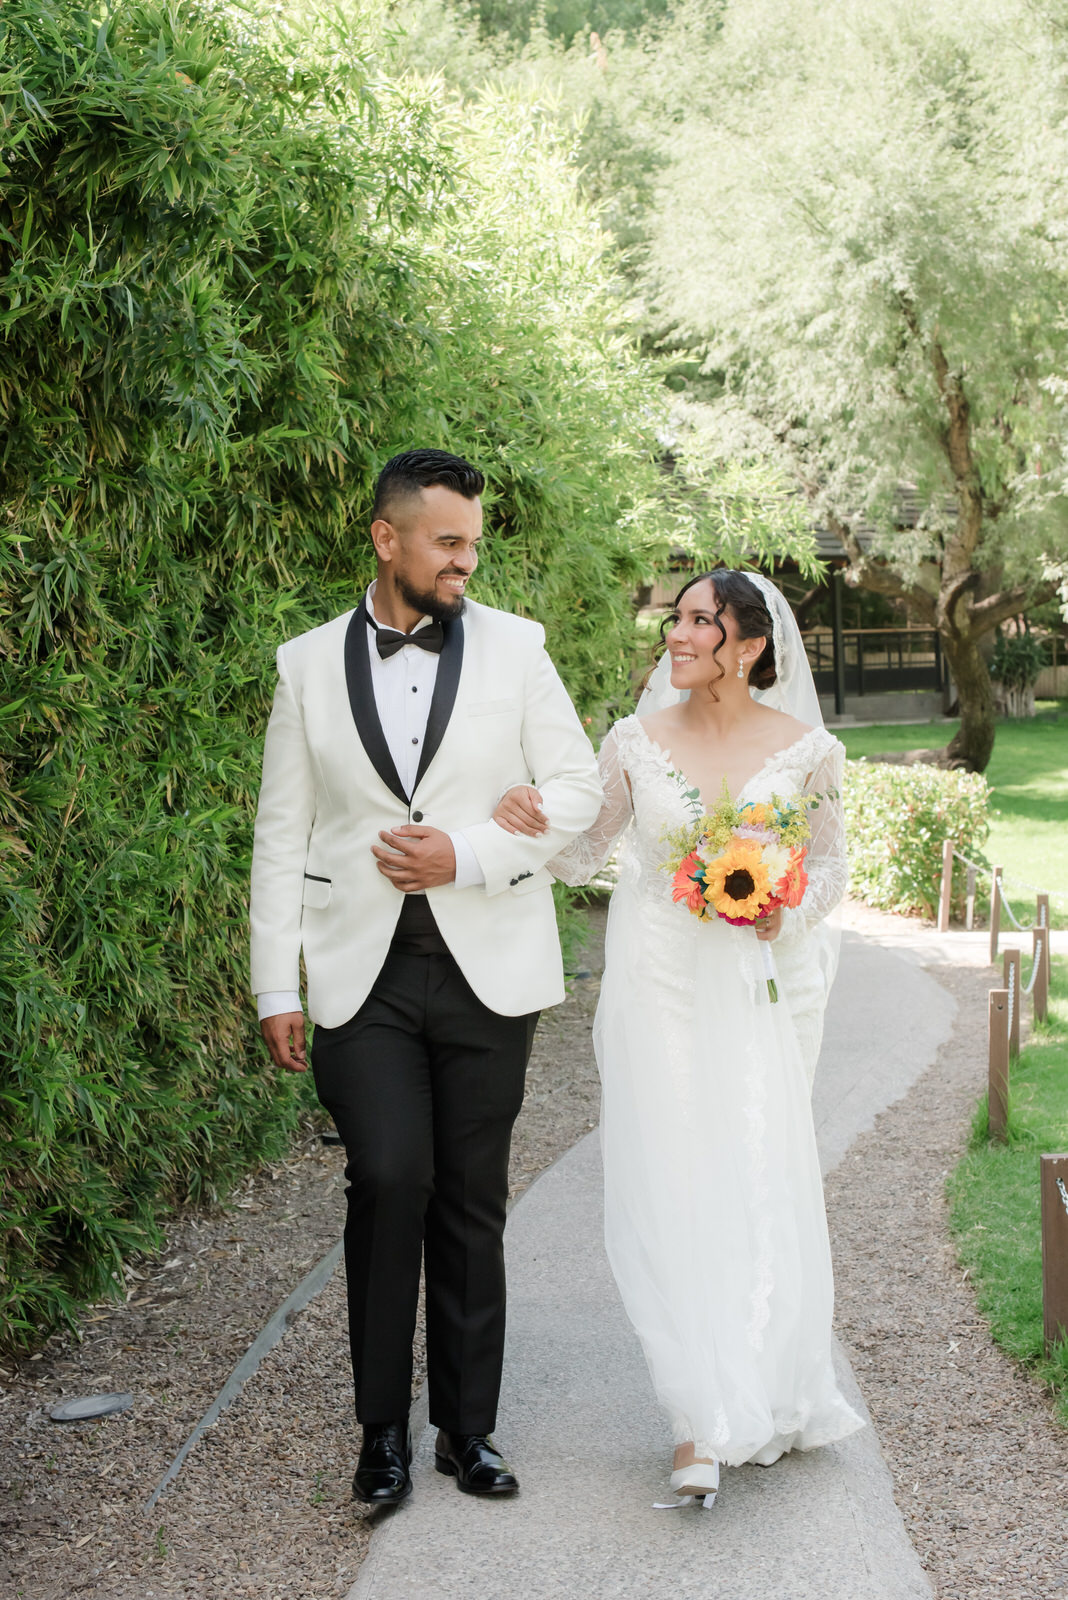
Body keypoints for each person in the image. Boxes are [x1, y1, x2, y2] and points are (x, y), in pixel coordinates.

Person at [249, 449, 602, 1506]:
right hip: (360, 973)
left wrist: (470, 853)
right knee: (390, 1178)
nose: (465, 563)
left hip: (490, 965)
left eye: (472, 545)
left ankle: (467, 1430)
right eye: (447, 543)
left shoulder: (518, 647)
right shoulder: (304, 664)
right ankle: (380, 1434)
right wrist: (276, 985)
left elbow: (579, 788)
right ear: (386, 538)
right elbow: (280, 833)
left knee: (471, 1197)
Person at [494, 569, 864, 1506]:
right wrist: (529, 819)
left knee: (752, 1169)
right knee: (672, 1175)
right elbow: (584, 853)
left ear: (750, 647)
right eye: (679, 618)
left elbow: (828, 869)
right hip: (656, 977)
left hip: (753, 982)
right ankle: (696, 1416)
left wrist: (783, 910)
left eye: (704, 621)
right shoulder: (635, 740)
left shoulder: (809, 751)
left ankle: (765, 1380)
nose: (679, 634)